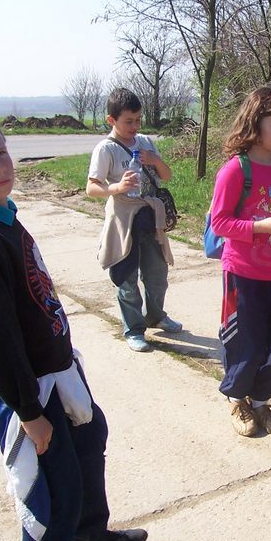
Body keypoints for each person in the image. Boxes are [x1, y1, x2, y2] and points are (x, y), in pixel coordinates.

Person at [0, 115, 147, 541]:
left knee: (89, 439)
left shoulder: (2, 215)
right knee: (51, 501)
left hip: (56, 370)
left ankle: (89, 538)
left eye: (1, 153)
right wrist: (30, 414)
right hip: (26, 388)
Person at [210, 88, 271, 437]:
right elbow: (219, 223)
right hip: (244, 273)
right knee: (245, 341)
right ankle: (237, 399)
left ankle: (262, 402)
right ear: (255, 123)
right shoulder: (235, 170)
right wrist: (258, 228)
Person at [86, 88, 182, 353]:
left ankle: (156, 316)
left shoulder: (146, 142)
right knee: (126, 277)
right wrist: (117, 187)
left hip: (151, 217)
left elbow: (167, 176)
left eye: (138, 119)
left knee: (158, 273)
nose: (135, 126)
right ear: (111, 120)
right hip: (123, 219)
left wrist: (155, 159)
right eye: (128, 121)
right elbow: (91, 187)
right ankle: (134, 329)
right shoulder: (106, 149)